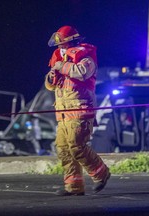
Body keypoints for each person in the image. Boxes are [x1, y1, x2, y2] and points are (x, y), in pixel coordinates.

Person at [44, 25, 110, 196]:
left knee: (77, 146)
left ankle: (101, 172)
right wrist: (51, 77)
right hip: (64, 112)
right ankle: (74, 186)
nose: (60, 48)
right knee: (63, 148)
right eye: (58, 45)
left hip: (80, 110)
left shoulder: (86, 57)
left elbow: (80, 72)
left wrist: (61, 66)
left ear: (72, 41)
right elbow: (50, 86)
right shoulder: (61, 59)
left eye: (63, 44)